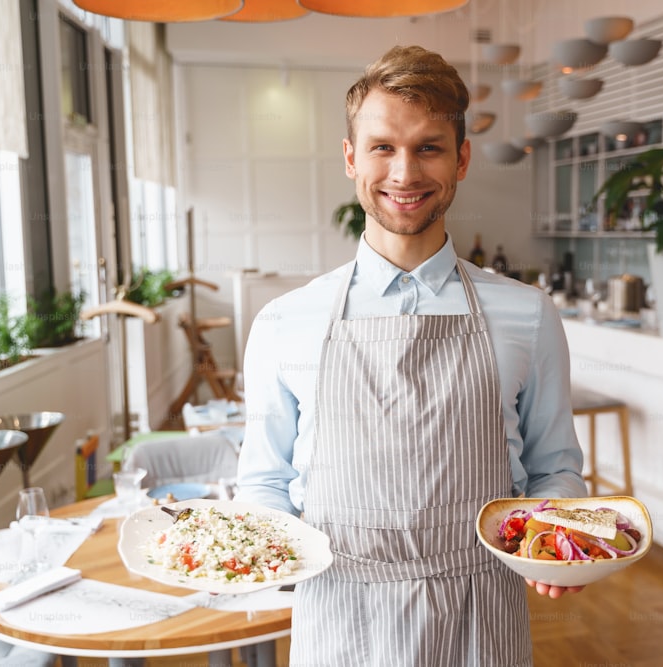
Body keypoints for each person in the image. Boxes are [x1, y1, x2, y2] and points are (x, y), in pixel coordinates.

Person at [235, 44, 587, 666]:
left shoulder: (528, 315)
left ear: (462, 158)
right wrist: (260, 551)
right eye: (382, 148)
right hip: (339, 612)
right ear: (350, 158)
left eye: (428, 146)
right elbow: (263, 481)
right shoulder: (284, 322)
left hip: (481, 614)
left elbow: (554, 468)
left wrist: (553, 534)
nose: (405, 173)